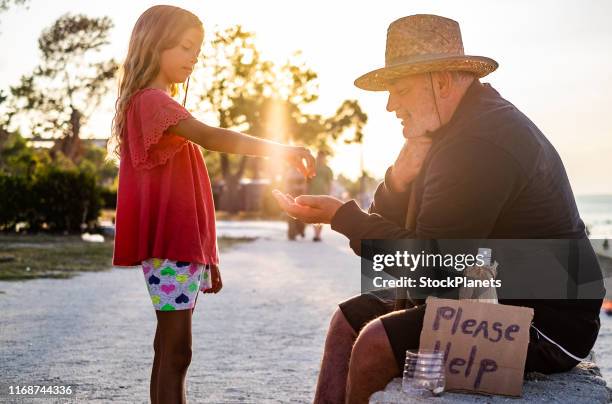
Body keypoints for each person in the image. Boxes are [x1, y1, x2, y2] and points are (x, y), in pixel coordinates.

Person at [273, 14, 604, 404]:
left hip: (549, 323)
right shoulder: (450, 129)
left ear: (442, 82)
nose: (390, 106)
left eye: (400, 90)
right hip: (487, 290)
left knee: (375, 342)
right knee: (347, 321)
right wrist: (401, 176)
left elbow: (430, 267)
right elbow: (395, 230)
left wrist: (340, 218)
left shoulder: (478, 143)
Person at [109, 6, 315, 404]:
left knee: (169, 349)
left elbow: (186, 194)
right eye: (186, 47)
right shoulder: (153, 103)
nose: (193, 58)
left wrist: (208, 257)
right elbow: (216, 137)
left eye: (197, 51)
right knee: (177, 351)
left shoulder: (154, 103)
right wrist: (283, 149)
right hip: (170, 246)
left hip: (181, 247)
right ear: (155, 44)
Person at [307, 151, 334, 241]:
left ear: (324, 158)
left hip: (324, 194)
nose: (320, 159)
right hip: (312, 193)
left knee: (321, 215)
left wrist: (329, 194)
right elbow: (308, 181)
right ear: (317, 157)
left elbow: (330, 183)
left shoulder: (327, 169)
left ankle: (318, 235)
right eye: (319, 157)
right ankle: (315, 234)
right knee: (313, 214)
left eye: (322, 157)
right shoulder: (313, 167)